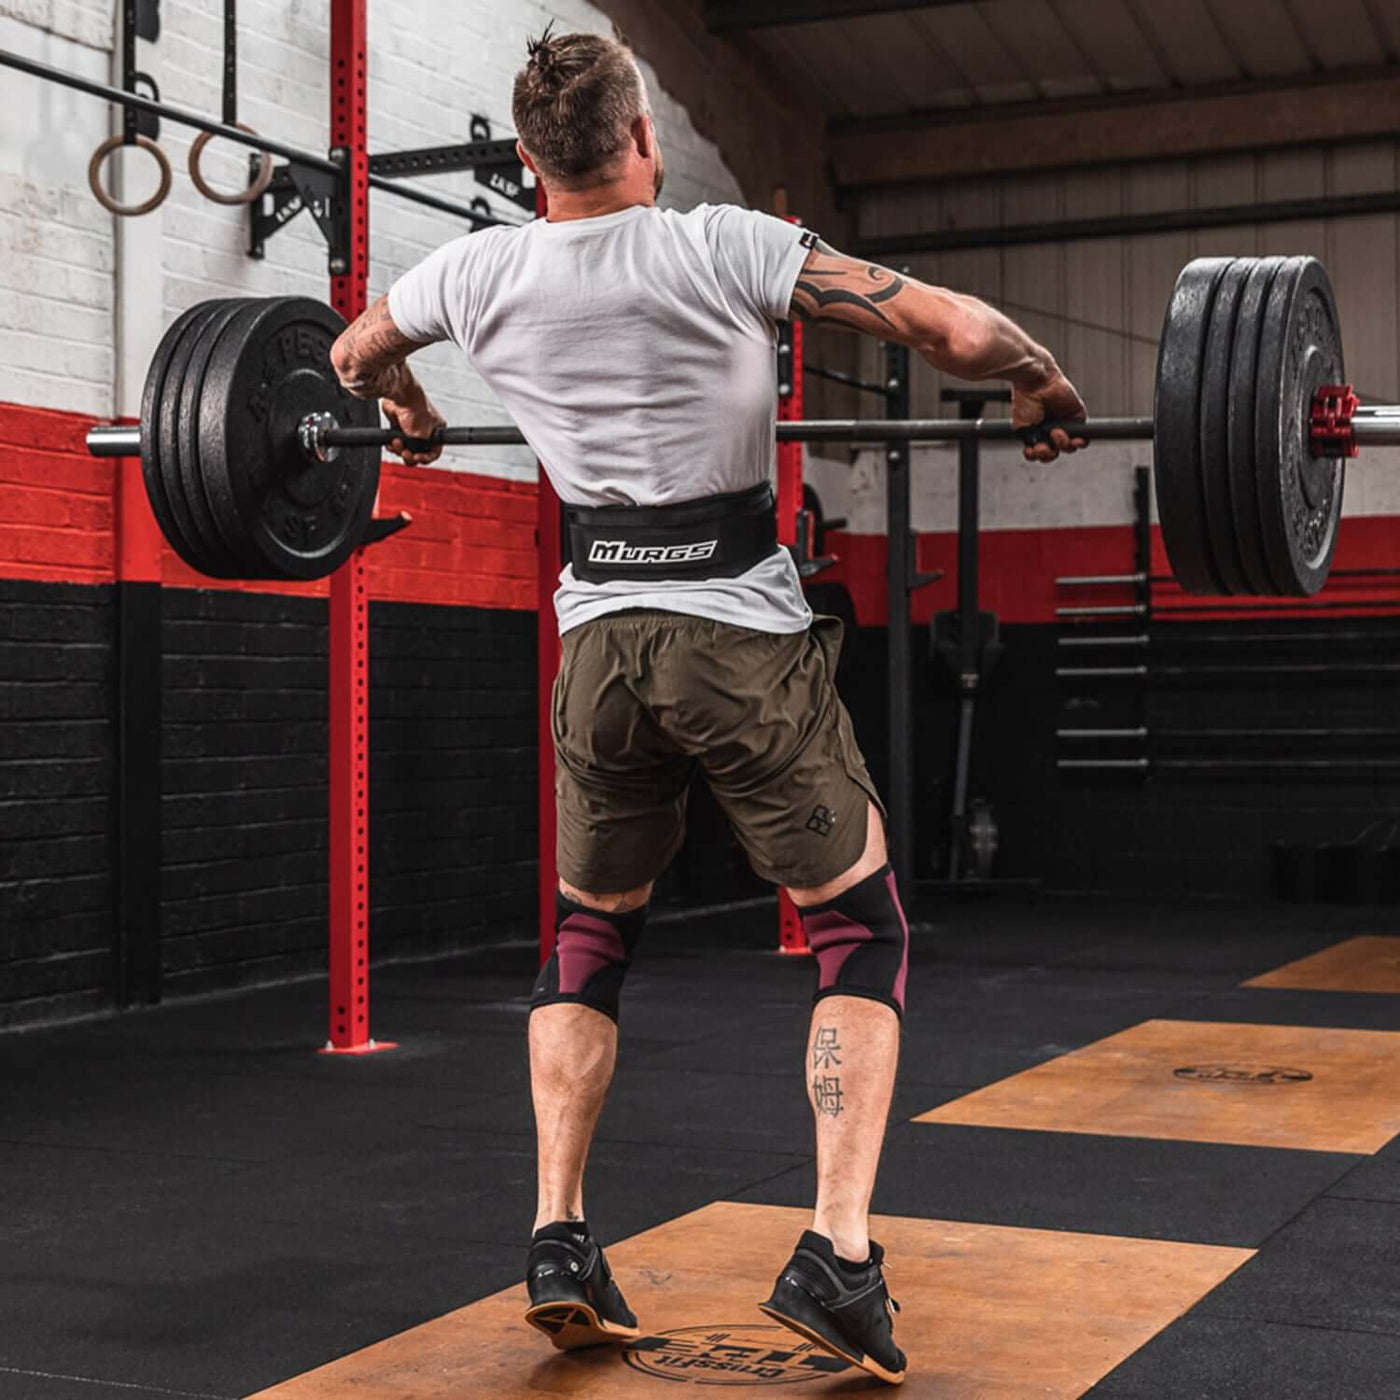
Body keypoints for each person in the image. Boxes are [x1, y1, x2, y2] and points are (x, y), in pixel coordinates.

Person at [330, 26, 1086, 1386]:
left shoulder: (475, 270)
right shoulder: (722, 244)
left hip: (598, 646)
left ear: (524, 163)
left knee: (585, 936)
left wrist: (418, 418)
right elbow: (952, 328)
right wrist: (1038, 375)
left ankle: (558, 1234)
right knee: (860, 928)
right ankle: (839, 1259)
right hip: (738, 633)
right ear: (642, 143)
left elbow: (345, 358)